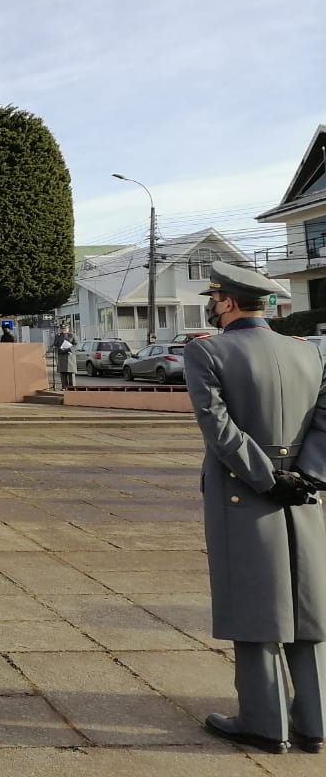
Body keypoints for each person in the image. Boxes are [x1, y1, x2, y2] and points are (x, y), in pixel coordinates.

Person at [184, 261, 326, 755]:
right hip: (304, 493)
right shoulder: (307, 352)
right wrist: (306, 475)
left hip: (245, 491)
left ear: (226, 302)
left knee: (253, 602)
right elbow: (325, 417)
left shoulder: (208, 351)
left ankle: (265, 723)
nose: (213, 303)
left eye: (214, 296)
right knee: (308, 605)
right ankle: (314, 721)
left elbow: (219, 428)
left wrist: (268, 478)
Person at [52, 326, 76, 390]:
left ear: (68, 329)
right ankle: (64, 387)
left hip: (69, 357)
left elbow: (76, 345)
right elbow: (55, 345)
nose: (63, 330)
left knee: (71, 373)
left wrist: (69, 349)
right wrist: (59, 349)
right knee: (63, 373)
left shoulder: (72, 335)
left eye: (65, 329)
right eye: (62, 329)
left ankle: (72, 388)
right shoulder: (58, 336)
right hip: (61, 356)